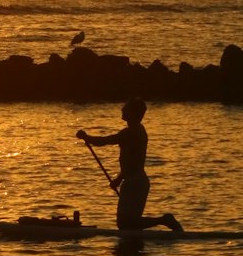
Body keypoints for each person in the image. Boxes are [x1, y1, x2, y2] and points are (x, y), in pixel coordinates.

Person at [76, 98, 184, 233]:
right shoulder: (138, 130)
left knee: (125, 224)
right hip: (136, 180)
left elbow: (106, 141)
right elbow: (132, 161)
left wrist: (87, 137)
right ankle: (162, 222)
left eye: (126, 108)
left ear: (133, 113)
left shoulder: (131, 132)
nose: (122, 109)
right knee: (128, 224)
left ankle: (164, 220)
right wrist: (119, 179)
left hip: (135, 183)